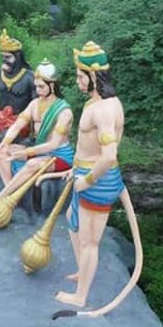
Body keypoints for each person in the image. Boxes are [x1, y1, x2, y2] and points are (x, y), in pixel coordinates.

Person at [55, 41, 129, 307]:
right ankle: (82, 270)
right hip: (85, 173)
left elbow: (108, 156)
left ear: (94, 76)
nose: (77, 81)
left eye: (80, 76)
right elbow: (91, 147)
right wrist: (76, 170)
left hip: (97, 181)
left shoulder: (105, 109)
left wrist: (86, 181)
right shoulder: (97, 103)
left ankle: (81, 296)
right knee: (71, 219)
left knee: (89, 242)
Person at [0, 59, 74, 213]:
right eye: (36, 86)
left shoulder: (64, 111)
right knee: (2, 151)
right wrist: (5, 142)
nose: (38, 90)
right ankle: (10, 196)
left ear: (52, 86)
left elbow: (53, 144)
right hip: (39, 151)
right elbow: (17, 125)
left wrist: (26, 152)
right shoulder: (34, 104)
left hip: (59, 157)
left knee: (32, 164)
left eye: (41, 86)